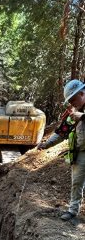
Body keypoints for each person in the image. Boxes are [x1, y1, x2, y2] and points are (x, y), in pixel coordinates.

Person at [38, 79, 85, 221]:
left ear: (82, 93)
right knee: (76, 182)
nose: (71, 104)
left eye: (73, 100)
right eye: (69, 101)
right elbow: (62, 131)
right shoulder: (74, 113)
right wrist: (46, 144)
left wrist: (83, 117)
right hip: (81, 152)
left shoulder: (79, 115)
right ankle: (72, 211)